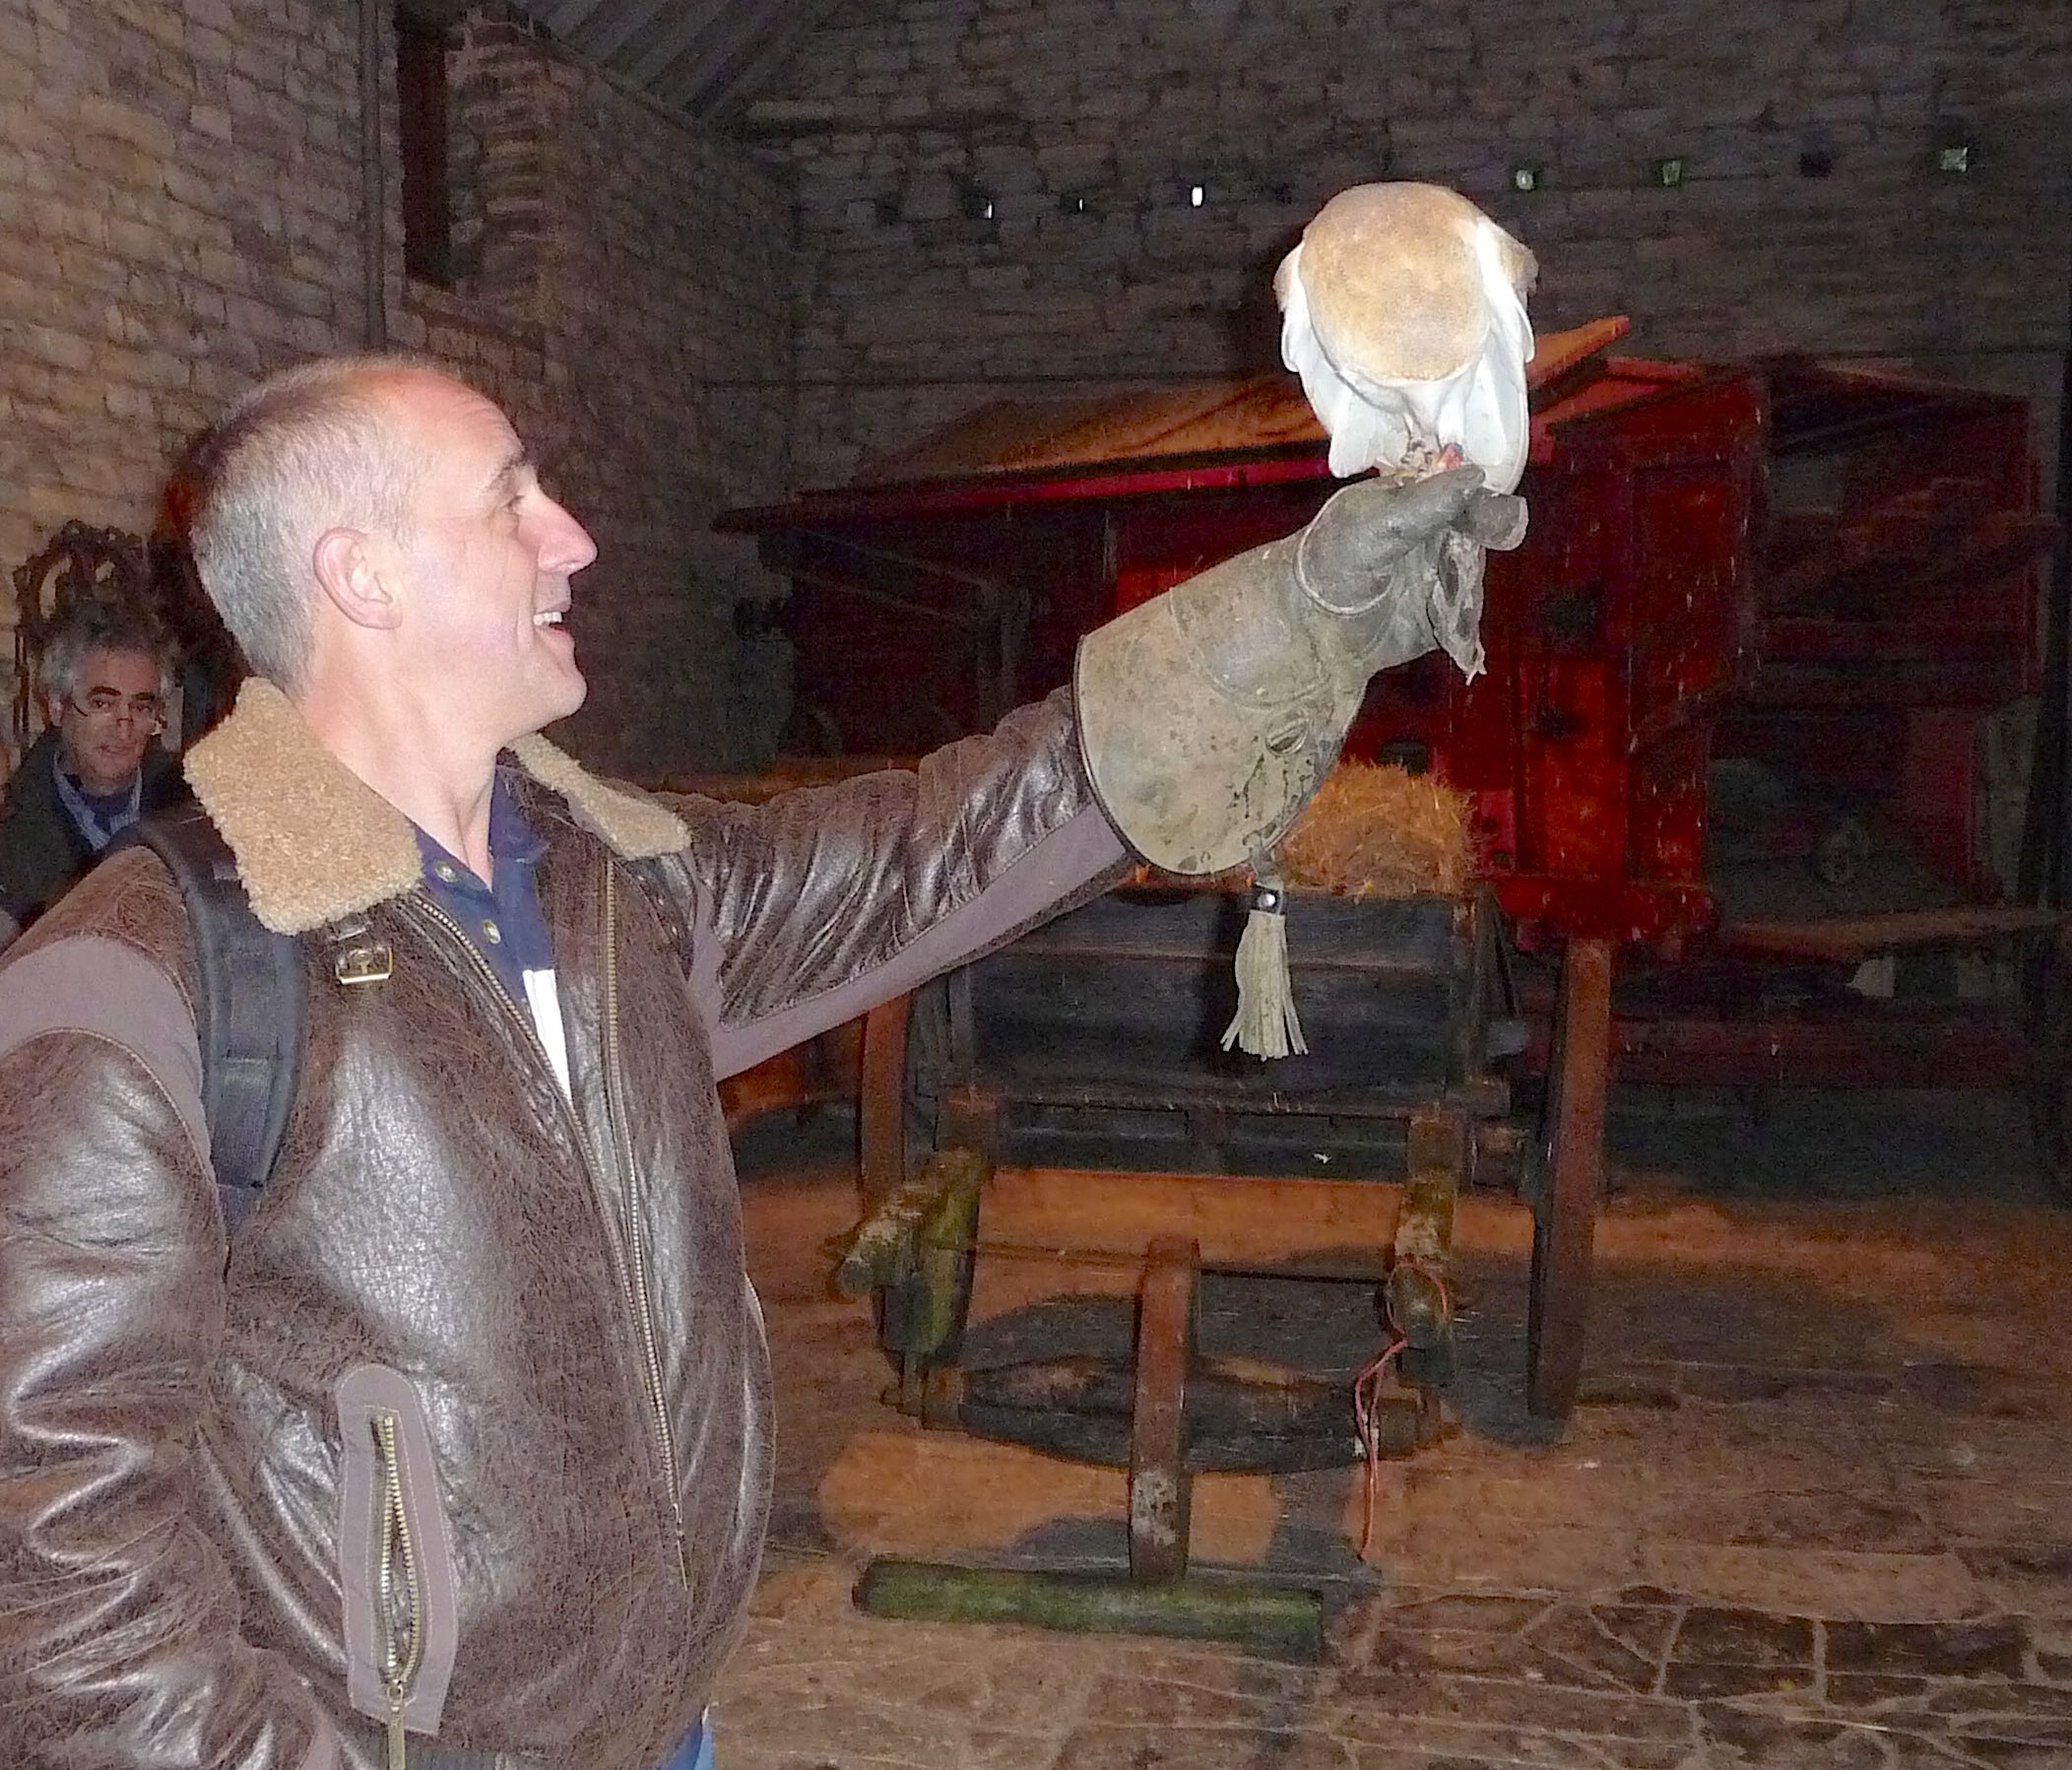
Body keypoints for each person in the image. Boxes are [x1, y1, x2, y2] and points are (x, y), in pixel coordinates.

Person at [0, 354, 1516, 1770]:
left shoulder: (624, 889)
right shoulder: (145, 976)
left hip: (671, 1723)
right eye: (512, 499)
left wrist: (1297, 616)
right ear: (362, 575)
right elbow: (62, 1589)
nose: (574, 538)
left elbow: (941, 845)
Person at [0, 598, 187, 947]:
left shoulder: (191, 808)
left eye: (140, 707)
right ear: (57, 707)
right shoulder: (12, 833)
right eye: (102, 704)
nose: (124, 728)